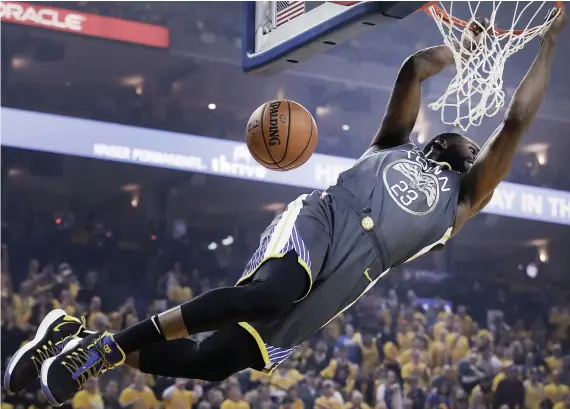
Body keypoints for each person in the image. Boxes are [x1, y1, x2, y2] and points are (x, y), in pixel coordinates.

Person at [4, 8, 567, 407]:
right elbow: (414, 69)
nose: (468, 139)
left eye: (475, 146)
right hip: (325, 219)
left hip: (349, 277)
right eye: (459, 136)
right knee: (274, 290)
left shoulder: (462, 202)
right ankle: (101, 353)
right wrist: (455, 51)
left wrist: (547, 42)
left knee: (212, 362)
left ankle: (72, 337)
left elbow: (515, 124)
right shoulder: (395, 145)